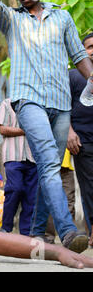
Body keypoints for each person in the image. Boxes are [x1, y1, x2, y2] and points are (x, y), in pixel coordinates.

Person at [0, 0, 93, 252]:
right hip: (28, 100)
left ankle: (35, 232)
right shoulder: (12, 19)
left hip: (61, 103)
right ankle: (68, 231)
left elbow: (79, 56)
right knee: (47, 163)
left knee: (51, 170)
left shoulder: (63, 17)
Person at [0, 98, 38, 236]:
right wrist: (25, 131)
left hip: (33, 156)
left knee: (31, 196)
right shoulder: (6, 103)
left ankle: (25, 232)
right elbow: (2, 129)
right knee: (15, 189)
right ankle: (6, 227)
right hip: (13, 155)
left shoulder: (36, 103)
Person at [67, 32, 93, 247]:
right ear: (82, 51)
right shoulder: (73, 76)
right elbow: (63, 106)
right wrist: (69, 132)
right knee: (89, 188)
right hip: (83, 142)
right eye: (90, 47)